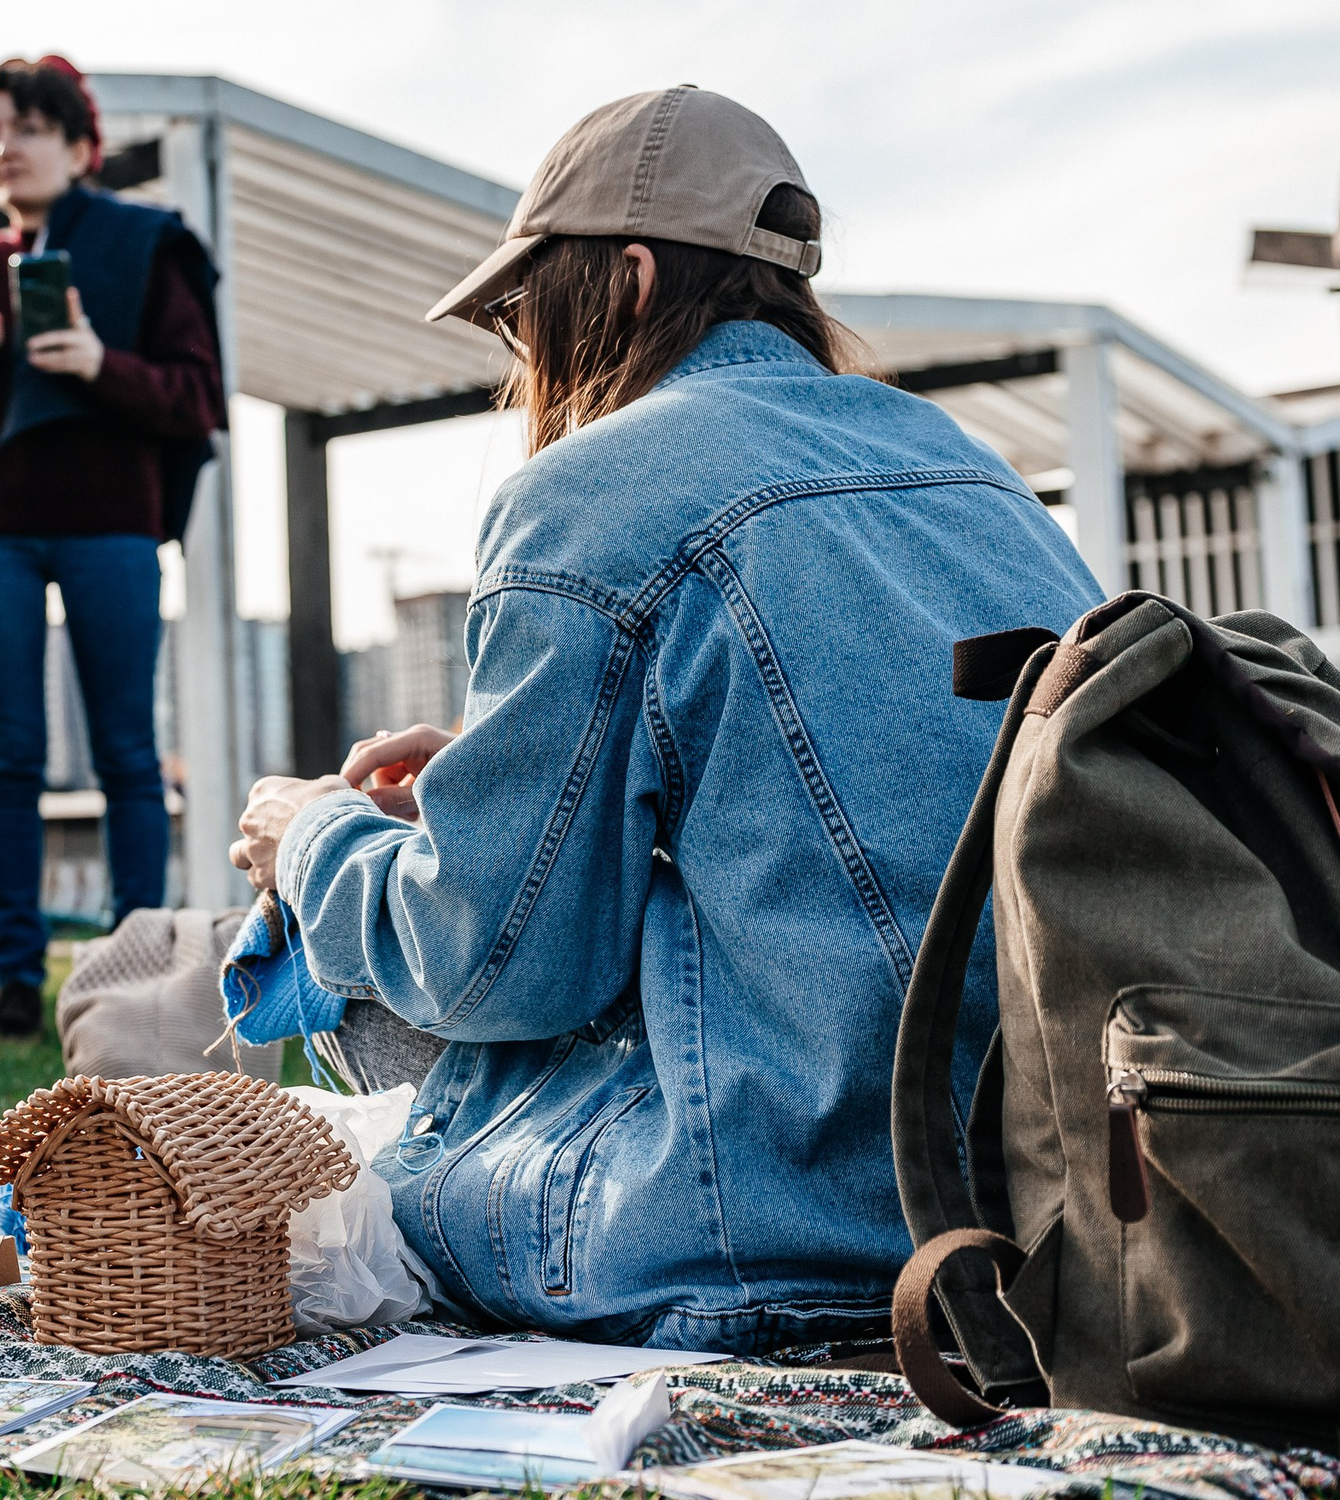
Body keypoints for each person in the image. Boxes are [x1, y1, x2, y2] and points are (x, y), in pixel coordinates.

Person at [226, 88, 1105, 1354]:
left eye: (522, 312)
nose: (519, 357)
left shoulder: (586, 493)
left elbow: (497, 960)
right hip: (1041, 1197)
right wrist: (494, 781)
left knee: (361, 1019)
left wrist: (311, 842)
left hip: (776, 1225)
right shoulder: (974, 469)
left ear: (627, 280)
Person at [0, 56, 225, 1039]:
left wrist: (98, 363)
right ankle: (15, 980)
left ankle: (136, 970)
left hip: (111, 522)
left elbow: (195, 396)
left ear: (81, 145)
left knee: (128, 756)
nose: (6, 147)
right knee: (7, 761)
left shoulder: (150, 245)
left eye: (27, 128)